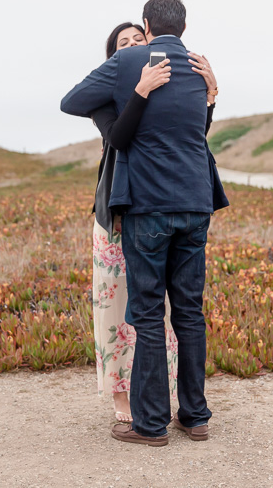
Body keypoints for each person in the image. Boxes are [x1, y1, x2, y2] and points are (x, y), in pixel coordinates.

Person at [62, 0, 215, 446]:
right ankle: (195, 417)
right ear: (182, 26)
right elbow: (193, 135)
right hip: (195, 205)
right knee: (189, 312)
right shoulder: (199, 65)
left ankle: (149, 425)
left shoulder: (129, 63)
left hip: (148, 207)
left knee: (148, 315)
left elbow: (72, 101)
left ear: (147, 25)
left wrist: (129, 86)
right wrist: (211, 94)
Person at [88, 22, 227, 423]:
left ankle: (164, 409)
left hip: (156, 211)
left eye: (138, 40)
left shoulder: (175, 85)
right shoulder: (111, 94)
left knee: (166, 314)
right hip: (119, 213)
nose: (132, 46)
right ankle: (124, 399)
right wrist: (139, 90)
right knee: (119, 313)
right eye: (123, 44)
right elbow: (119, 137)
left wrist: (211, 96)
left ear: (150, 42)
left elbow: (193, 139)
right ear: (115, 57)